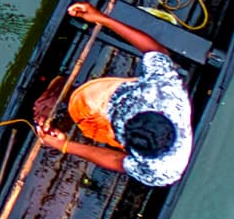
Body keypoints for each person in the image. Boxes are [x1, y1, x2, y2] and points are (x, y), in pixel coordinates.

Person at [61, 49, 193, 187]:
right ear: (159, 113)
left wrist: (64, 145)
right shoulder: (167, 91)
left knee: (96, 130)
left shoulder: (162, 171)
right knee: (80, 102)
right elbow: (155, 51)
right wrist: (111, 25)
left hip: (118, 126)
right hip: (114, 96)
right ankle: (66, 92)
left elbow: (118, 161)